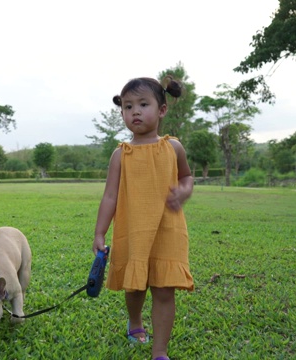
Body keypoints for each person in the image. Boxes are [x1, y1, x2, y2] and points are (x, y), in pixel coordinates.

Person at [92, 76, 194, 360]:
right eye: (127, 106)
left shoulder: (173, 147)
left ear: (162, 110)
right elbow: (110, 197)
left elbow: (186, 177)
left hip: (167, 231)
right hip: (133, 230)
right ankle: (135, 321)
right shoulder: (120, 155)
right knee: (135, 285)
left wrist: (184, 192)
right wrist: (100, 232)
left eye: (143, 104)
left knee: (164, 290)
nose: (134, 111)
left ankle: (159, 350)